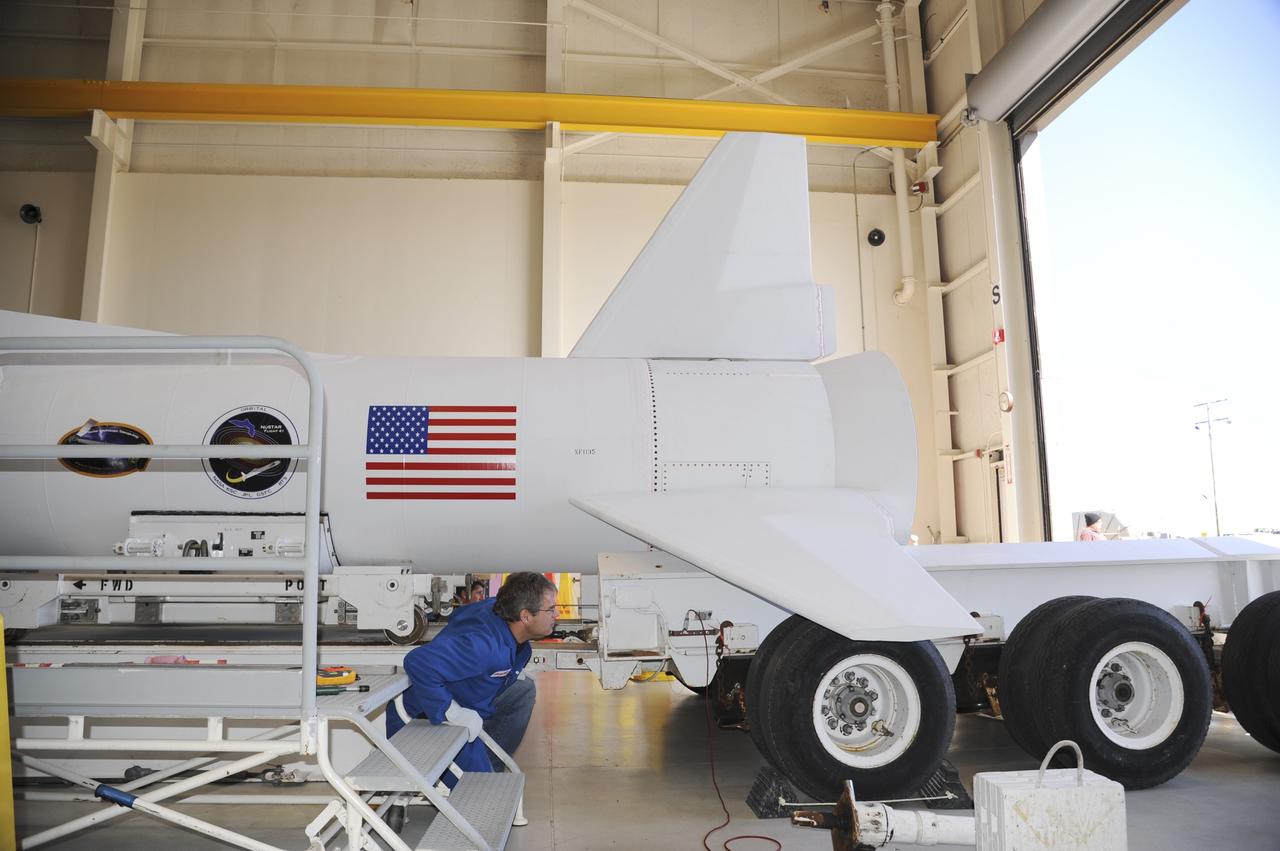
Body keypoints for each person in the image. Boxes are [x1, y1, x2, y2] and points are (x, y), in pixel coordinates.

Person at [388, 571, 557, 774]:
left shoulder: (501, 609)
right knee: (482, 792)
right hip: (424, 719)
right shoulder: (484, 647)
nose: (556, 615)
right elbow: (418, 662)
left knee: (523, 689)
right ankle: (482, 771)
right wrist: (451, 711)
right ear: (525, 616)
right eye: (551, 610)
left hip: (468, 702)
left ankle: (489, 765)